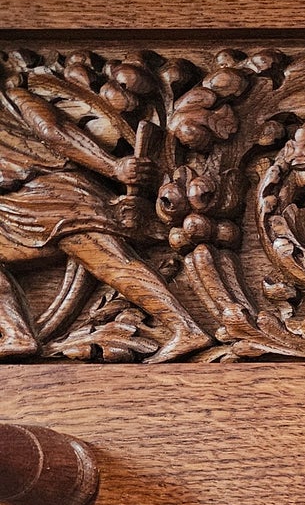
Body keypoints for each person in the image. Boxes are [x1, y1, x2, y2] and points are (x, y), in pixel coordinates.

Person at [0, 65, 209, 361]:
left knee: (113, 264)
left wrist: (112, 167)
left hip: (54, 195)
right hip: (12, 210)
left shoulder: (13, 100)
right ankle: (16, 333)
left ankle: (186, 328)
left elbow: (57, 131)